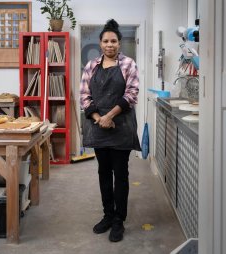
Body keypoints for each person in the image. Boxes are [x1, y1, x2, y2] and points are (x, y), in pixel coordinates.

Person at [79, 19, 141, 242]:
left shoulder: (128, 65)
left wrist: (109, 116)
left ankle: (118, 221)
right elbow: (85, 97)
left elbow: (131, 95)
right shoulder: (91, 66)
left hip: (120, 127)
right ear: (100, 43)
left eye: (113, 41)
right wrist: (99, 118)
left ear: (119, 43)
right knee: (103, 173)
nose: (109, 45)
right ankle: (107, 215)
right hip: (99, 127)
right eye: (106, 41)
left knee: (120, 174)